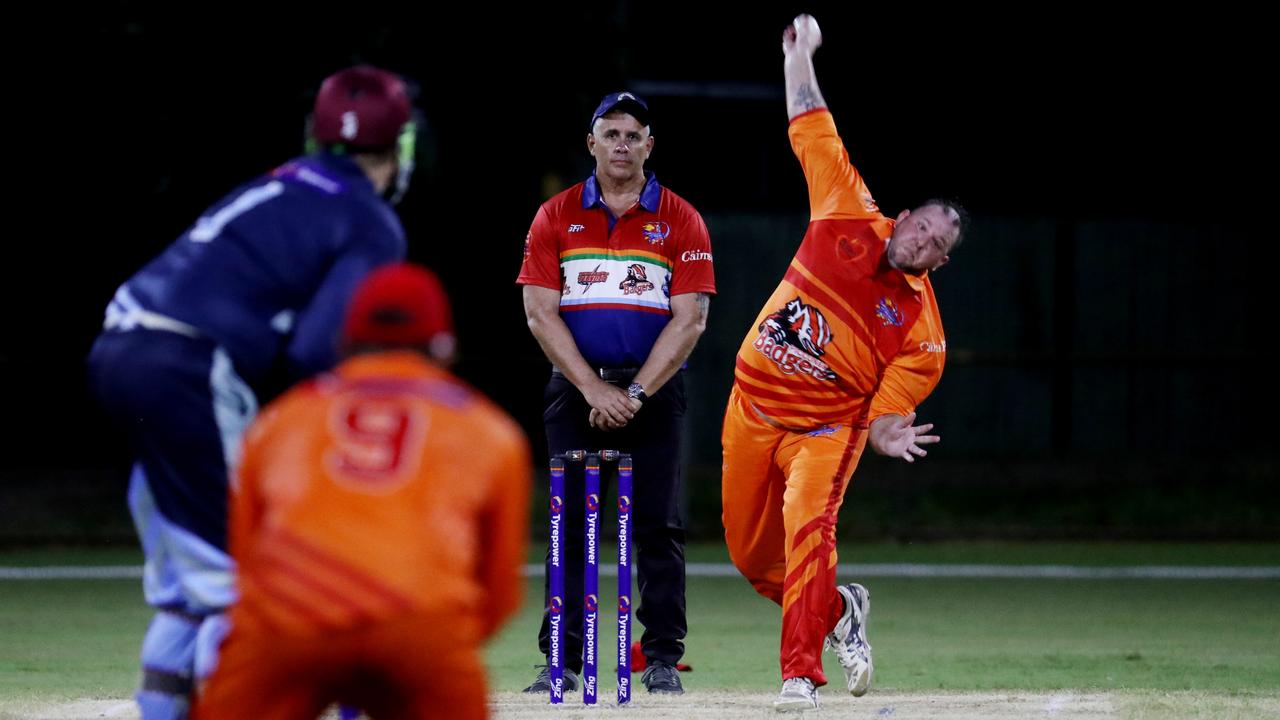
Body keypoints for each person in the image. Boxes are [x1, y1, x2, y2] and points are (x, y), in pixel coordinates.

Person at [86, 65, 419, 719]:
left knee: (188, 588)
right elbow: (315, 352)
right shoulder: (370, 219)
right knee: (249, 587)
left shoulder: (281, 182)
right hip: (188, 365)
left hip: (119, 347)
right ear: (402, 147)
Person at [720, 14, 969, 711]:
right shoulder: (845, 208)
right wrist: (798, 54)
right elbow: (811, 123)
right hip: (750, 408)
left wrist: (887, 428)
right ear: (907, 213)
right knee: (747, 557)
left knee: (808, 529)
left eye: (935, 244)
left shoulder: (923, 334)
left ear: (940, 262)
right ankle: (839, 610)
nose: (920, 241)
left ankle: (801, 674)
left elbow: (891, 408)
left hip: (826, 434)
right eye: (921, 224)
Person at [192, 263, 530, 720]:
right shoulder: (490, 430)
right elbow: (499, 593)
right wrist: (430, 639)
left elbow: (245, 559)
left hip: (290, 619)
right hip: (422, 622)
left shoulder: (281, 421)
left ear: (343, 342)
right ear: (444, 347)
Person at [516, 91, 716, 695]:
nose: (622, 145)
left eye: (633, 135)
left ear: (649, 146)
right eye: (611, 134)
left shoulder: (680, 218)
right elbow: (538, 313)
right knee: (568, 527)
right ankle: (564, 661)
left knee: (657, 528)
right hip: (576, 391)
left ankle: (659, 660)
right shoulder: (555, 215)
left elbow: (691, 321)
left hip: (651, 393)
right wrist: (593, 389)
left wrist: (631, 392)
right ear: (592, 143)